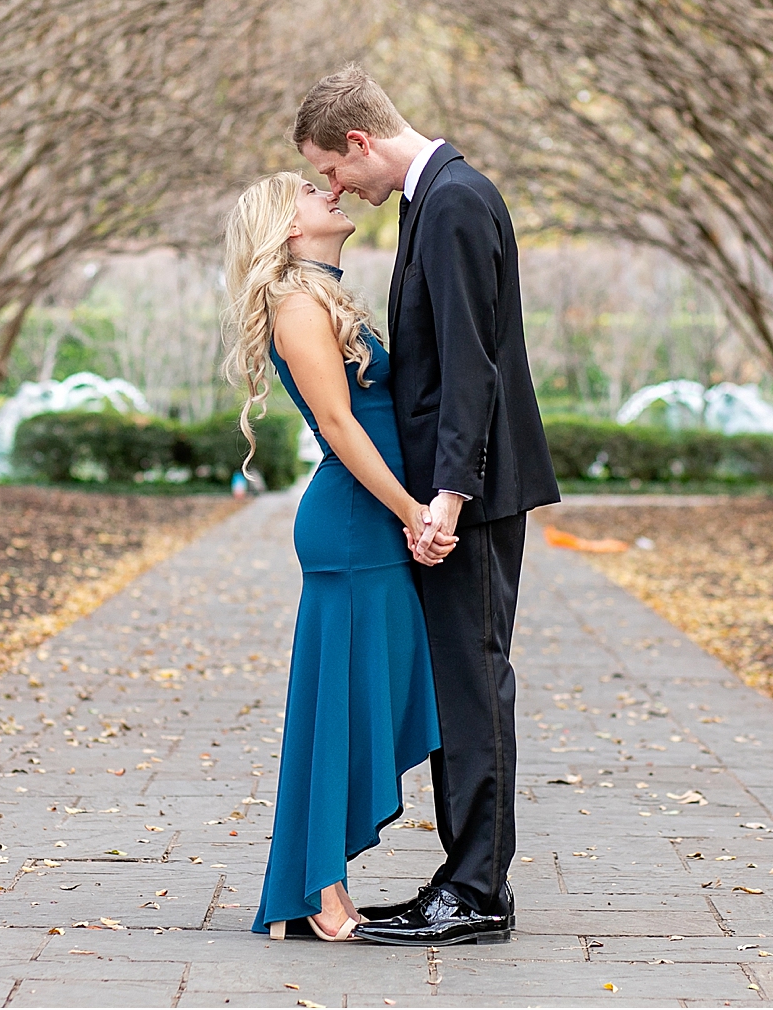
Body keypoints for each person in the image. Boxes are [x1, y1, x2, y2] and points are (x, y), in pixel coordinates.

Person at [294, 65, 560, 946]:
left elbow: (471, 365)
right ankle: (466, 877)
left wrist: (446, 496)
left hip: (472, 499)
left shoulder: (449, 201)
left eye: (333, 171)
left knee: (474, 688)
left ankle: (477, 892)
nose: (337, 189)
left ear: (359, 142)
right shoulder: (435, 198)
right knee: (460, 688)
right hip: (466, 492)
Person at [224, 171, 442, 943]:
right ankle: (316, 889)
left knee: (363, 698)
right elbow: (338, 426)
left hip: (371, 522)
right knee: (340, 706)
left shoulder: (324, 297)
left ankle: (319, 881)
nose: (332, 195)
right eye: (313, 194)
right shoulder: (294, 304)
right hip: (354, 525)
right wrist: (413, 511)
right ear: (288, 226)